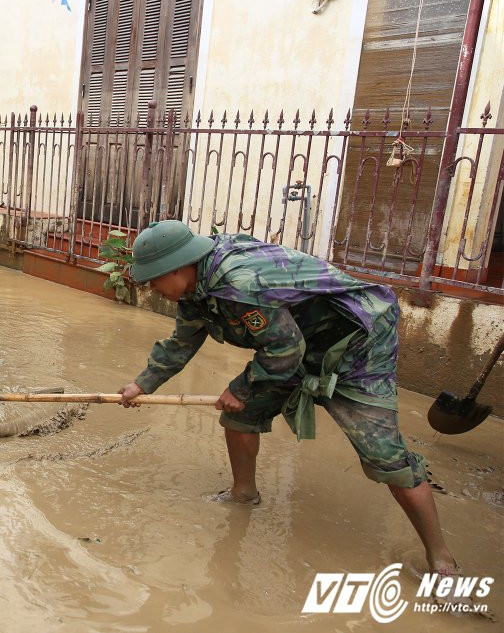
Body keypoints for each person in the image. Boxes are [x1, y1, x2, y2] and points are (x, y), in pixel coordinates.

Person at [117, 221, 456, 575]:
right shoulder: (194, 290)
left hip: (356, 343)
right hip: (295, 342)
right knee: (241, 415)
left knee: (386, 457)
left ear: (178, 266)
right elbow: (182, 342)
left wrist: (241, 387)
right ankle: (243, 494)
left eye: (154, 280)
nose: (152, 289)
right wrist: (142, 384)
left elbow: (285, 351)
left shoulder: (239, 283)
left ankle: (441, 558)